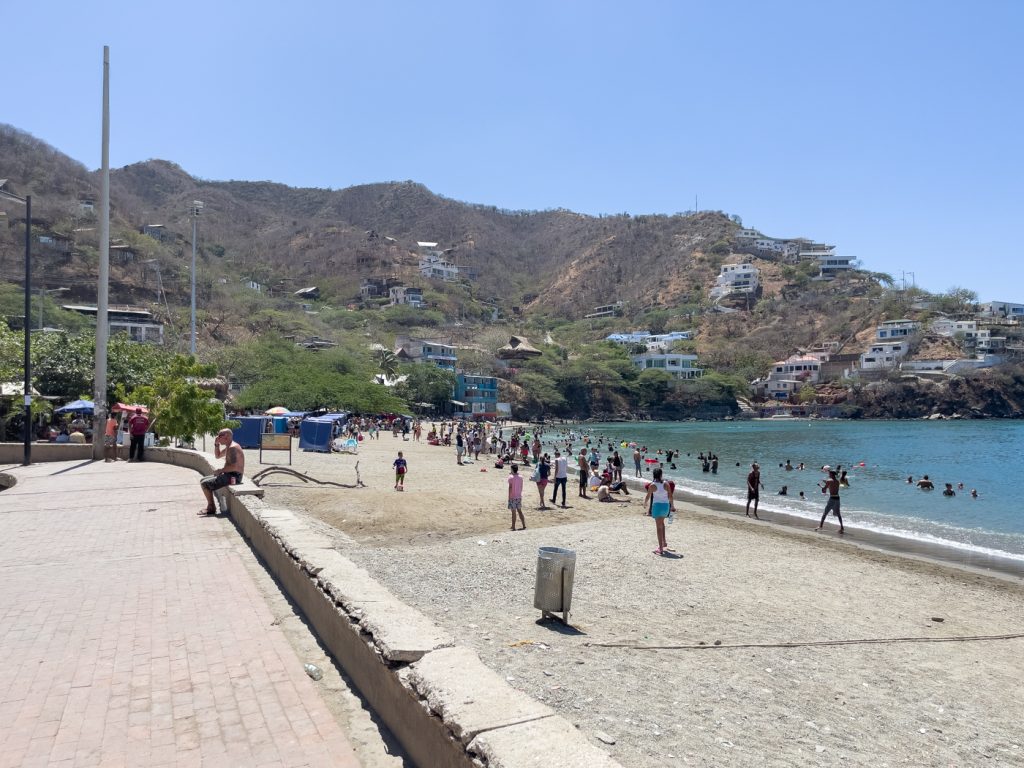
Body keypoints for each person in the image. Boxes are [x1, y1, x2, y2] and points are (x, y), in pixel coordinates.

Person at [199, 428, 245, 515]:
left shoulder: (233, 448)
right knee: (203, 480)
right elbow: (218, 456)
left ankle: (211, 508)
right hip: (230, 474)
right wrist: (216, 445)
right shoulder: (229, 447)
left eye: (219, 436)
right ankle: (211, 506)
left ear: (226, 436)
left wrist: (220, 470)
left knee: (205, 484)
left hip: (234, 476)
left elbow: (234, 466)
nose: (217, 437)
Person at [644, 467, 674, 555]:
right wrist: (672, 506)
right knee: (662, 523)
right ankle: (664, 542)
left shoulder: (652, 485)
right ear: (661, 475)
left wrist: (645, 504)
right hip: (665, 507)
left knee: (658, 527)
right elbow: (670, 496)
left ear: (654, 475)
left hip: (657, 507)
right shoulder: (666, 484)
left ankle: (660, 548)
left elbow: (648, 496)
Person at [817, 469, 844, 533]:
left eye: (829, 474)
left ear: (831, 474)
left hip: (832, 499)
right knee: (838, 514)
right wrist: (825, 484)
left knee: (825, 513)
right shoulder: (837, 481)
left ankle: (820, 526)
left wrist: (820, 486)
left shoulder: (829, 481)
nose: (828, 475)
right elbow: (832, 486)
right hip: (837, 498)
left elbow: (824, 490)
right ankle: (842, 527)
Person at [508, 464, 526, 531]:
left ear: (512, 469)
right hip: (519, 496)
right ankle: (524, 525)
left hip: (512, 496)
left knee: (513, 512)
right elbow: (521, 486)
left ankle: (513, 526)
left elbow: (510, 487)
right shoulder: (521, 477)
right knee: (519, 511)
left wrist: (509, 497)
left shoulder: (510, 477)